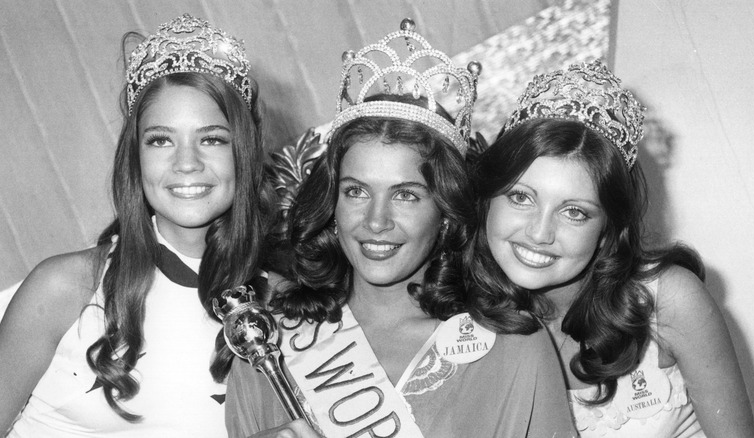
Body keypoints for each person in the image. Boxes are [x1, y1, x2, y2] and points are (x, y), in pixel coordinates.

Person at [225, 19, 577, 438]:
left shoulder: (513, 345)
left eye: (406, 195)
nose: (376, 221)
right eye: (356, 191)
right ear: (332, 204)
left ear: (445, 212)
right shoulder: (269, 344)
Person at [0, 14, 277, 437]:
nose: (187, 163)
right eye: (161, 140)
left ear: (245, 151)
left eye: (212, 139)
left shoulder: (281, 307)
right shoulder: (64, 287)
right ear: (136, 156)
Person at [467, 59, 754, 437]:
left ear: (608, 227)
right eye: (520, 197)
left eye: (574, 212)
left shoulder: (668, 300)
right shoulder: (458, 313)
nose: (540, 233)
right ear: (488, 198)